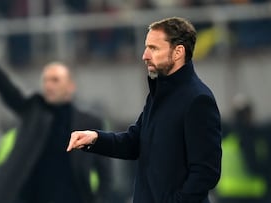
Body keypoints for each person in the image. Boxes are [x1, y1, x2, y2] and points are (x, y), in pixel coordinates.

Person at [67, 17, 222, 203]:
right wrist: (95, 139)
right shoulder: (159, 94)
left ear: (178, 52)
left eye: (154, 48)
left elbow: (206, 172)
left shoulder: (198, 100)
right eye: (146, 47)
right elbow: (135, 143)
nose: (145, 55)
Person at [0, 25, 112, 203]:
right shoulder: (34, 111)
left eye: (55, 80)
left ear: (70, 86)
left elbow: (105, 173)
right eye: (46, 80)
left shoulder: (89, 122)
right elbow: (6, 89)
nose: (49, 85)